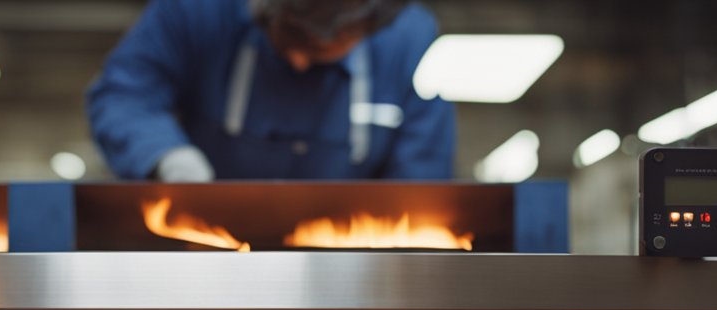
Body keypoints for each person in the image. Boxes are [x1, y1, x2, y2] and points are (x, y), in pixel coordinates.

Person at [87, 0, 455, 181]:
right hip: (207, 254)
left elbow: (423, 172)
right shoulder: (195, 11)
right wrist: (164, 155)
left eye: (317, 46)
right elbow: (124, 95)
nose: (297, 61)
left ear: (370, 25)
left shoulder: (409, 40)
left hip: (350, 270)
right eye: (287, 36)